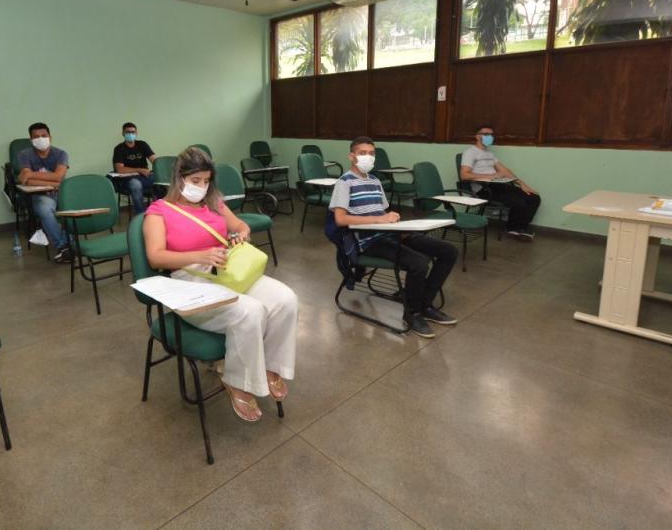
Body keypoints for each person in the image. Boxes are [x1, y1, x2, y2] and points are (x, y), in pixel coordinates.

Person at [143, 147, 297, 423]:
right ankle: (237, 381)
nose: (202, 187)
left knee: (286, 299)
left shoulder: (214, 203)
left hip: (227, 272)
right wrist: (198, 255)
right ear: (178, 178)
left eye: (206, 181)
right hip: (188, 280)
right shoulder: (159, 211)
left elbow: (241, 226)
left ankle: (271, 366)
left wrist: (241, 235)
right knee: (250, 311)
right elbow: (156, 257)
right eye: (195, 180)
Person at [329, 136, 458, 339]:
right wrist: (379, 219)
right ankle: (412, 313)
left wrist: (397, 223)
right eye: (362, 153)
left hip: (390, 233)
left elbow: (383, 211)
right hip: (370, 241)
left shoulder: (375, 181)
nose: (368, 157)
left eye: (371, 153)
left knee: (449, 251)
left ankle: (424, 305)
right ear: (351, 156)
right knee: (419, 263)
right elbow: (340, 219)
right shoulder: (344, 182)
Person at [460, 124, 541, 242]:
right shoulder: (470, 153)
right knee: (519, 201)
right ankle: (512, 229)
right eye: (486, 134)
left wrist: (522, 184)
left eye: (491, 135)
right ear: (477, 136)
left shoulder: (489, 154)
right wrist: (490, 176)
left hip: (497, 185)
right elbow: (464, 175)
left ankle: (521, 228)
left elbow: (505, 171)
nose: (490, 137)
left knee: (534, 198)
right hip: (483, 189)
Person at [17, 122, 71, 262]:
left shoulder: (61, 154)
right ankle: (64, 247)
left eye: (44, 135)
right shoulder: (24, 154)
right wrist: (54, 183)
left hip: (62, 194)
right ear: (31, 140)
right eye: (36, 136)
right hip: (40, 195)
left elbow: (59, 176)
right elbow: (26, 181)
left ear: (50, 137)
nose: (40, 139)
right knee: (44, 210)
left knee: (74, 207)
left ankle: (68, 245)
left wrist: (31, 174)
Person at [112, 122, 156, 214]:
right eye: (128, 132)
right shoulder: (119, 149)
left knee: (162, 179)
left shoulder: (142, 145)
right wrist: (139, 170)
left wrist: (159, 168)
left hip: (145, 177)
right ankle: (141, 215)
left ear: (136, 133)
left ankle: (161, 211)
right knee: (135, 184)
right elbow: (120, 169)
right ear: (123, 133)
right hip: (127, 180)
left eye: (133, 132)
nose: (130, 134)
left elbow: (154, 161)